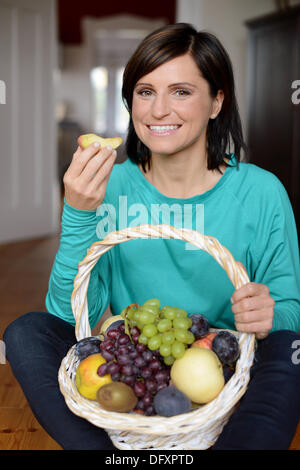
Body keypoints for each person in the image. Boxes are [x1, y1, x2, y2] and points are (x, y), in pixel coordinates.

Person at [3, 23, 300, 451]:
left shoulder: (261, 191)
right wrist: (78, 214)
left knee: (291, 348)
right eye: (145, 92)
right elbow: (69, 316)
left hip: (227, 363)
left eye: (181, 92)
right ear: (130, 102)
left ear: (217, 101)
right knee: (27, 332)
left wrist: (269, 315)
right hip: (136, 366)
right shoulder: (110, 185)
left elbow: (290, 311)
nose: (158, 110)